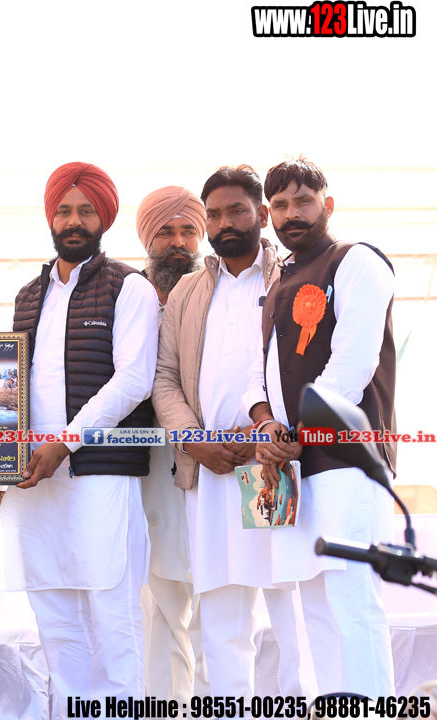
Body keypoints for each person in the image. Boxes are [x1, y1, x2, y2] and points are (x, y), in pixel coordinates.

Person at [0, 162, 159, 701]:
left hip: (97, 472)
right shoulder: (27, 296)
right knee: (55, 618)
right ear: (50, 217)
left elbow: (133, 380)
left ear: (103, 218)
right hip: (34, 480)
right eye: (64, 210)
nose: (74, 221)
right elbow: (10, 388)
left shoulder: (130, 288)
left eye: (86, 210)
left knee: (113, 614)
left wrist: (64, 443)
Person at [246, 157, 397, 696]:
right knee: (314, 601)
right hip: (291, 467)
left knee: (352, 596)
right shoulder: (278, 281)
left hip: (346, 461)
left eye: (303, 202)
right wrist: (265, 424)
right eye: (281, 205)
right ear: (269, 214)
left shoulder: (356, 261)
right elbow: (257, 373)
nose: (292, 214)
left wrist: (296, 434)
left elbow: (352, 364)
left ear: (327, 204)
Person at [151, 168, 303, 696]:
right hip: (212, 469)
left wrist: (274, 434)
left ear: (261, 214)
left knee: (287, 603)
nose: (224, 223)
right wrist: (193, 441)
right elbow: (165, 379)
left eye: (236, 211)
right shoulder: (189, 290)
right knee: (220, 608)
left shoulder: (291, 278)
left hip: (273, 466)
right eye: (213, 215)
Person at [134, 186, 207, 700]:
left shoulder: (219, 291)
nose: (178, 242)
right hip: (152, 466)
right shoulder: (127, 295)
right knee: (159, 596)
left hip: (216, 460)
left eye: (188, 231)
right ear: (147, 239)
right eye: (166, 232)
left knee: (217, 595)